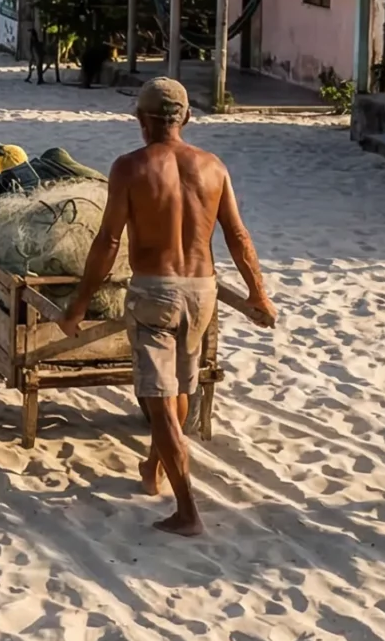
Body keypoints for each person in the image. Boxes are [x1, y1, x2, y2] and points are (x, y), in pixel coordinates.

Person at [68, 76, 276, 537]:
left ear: (142, 121)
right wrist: (257, 291)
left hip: (154, 293)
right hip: (202, 291)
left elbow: (107, 240)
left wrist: (79, 304)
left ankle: (187, 512)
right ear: (186, 118)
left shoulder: (129, 167)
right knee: (179, 389)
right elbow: (238, 237)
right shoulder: (214, 167)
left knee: (159, 403)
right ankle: (153, 467)